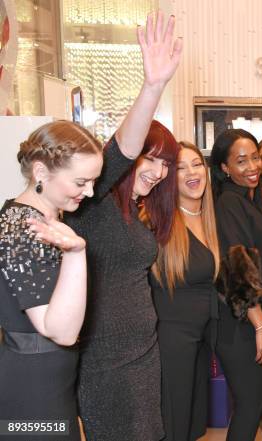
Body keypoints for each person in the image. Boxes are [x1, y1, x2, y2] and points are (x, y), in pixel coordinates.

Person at [65, 11, 183, 440]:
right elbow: (122, 149)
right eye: (149, 160)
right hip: (102, 362)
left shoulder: (140, 213)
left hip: (144, 354)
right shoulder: (92, 200)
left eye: (164, 165)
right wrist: (153, 86)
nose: (156, 172)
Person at [0, 121, 103, 441]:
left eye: (93, 181)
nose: (90, 192)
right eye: (81, 181)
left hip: (49, 384)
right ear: (41, 172)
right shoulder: (23, 228)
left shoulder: (40, 220)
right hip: (33, 395)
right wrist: (76, 254)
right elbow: (60, 330)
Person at [149, 141, 220, 441]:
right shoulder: (159, 225)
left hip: (202, 340)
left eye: (196, 164)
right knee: (175, 422)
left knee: (192, 423)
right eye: (180, 168)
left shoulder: (212, 219)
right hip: (172, 340)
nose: (192, 172)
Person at [210, 128, 262, 441]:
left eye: (255, 157)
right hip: (240, 325)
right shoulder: (229, 203)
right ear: (224, 167)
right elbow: (238, 270)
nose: (252, 166)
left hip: (249, 321)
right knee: (251, 404)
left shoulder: (248, 200)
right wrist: (261, 327)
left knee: (256, 400)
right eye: (241, 161)